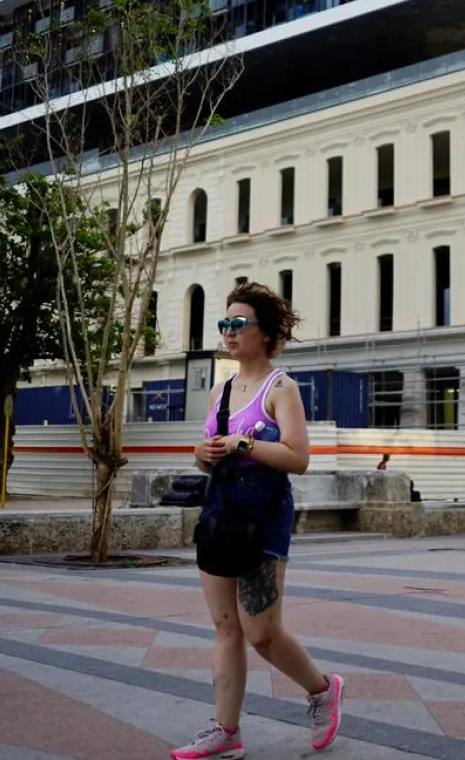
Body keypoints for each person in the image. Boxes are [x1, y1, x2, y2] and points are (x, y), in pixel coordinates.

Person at [173, 282, 344, 759]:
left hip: (263, 516)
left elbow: (298, 457)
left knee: (262, 632)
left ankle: (322, 689)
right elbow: (209, 456)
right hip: (221, 512)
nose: (228, 332)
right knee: (226, 625)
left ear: (265, 333)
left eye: (237, 323)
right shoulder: (220, 390)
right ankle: (225, 731)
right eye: (223, 323)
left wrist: (244, 445)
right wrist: (201, 453)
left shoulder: (281, 387)